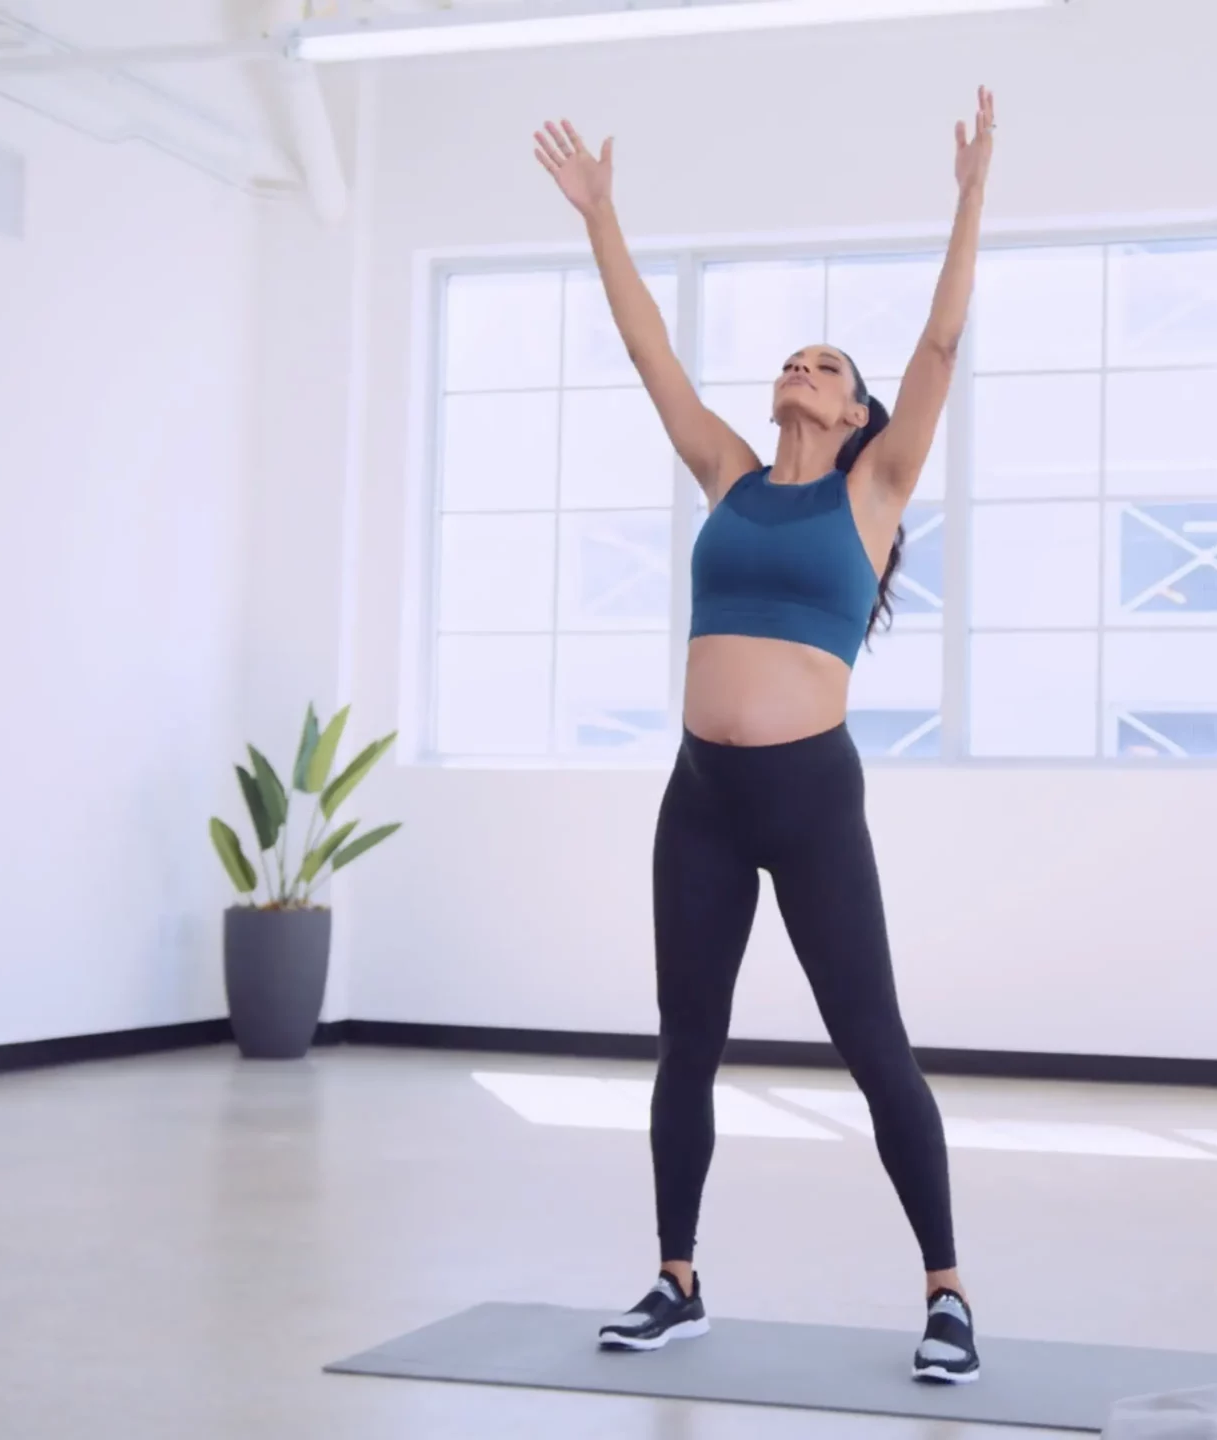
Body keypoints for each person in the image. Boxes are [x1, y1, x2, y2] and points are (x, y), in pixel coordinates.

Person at [531, 88, 997, 1383]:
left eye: (826, 368)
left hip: (809, 797)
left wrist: (968, 195)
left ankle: (949, 1292)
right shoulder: (731, 478)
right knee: (689, 1039)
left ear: (855, 417)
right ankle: (677, 1277)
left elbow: (943, 345)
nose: (802, 369)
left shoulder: (876, 492)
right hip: (701, 797)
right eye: (795, 359)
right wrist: (602, 218)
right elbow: (649, 359)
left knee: (873, 1048)